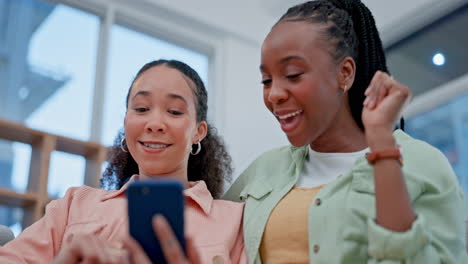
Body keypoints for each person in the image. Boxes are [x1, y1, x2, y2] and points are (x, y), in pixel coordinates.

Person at [220, 0, 468, 263]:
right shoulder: (264, 169)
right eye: (266, 80)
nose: (274, 94)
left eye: (293, 74)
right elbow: (207, 234)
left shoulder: (422, 164)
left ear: (345, 73)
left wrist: (382, 145)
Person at [0, 59, 246, 264]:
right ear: (126, 123)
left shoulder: (236, 220)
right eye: (141, 109)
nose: (154, 123)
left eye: (174, 111)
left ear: (198, 131)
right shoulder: (75, 205)